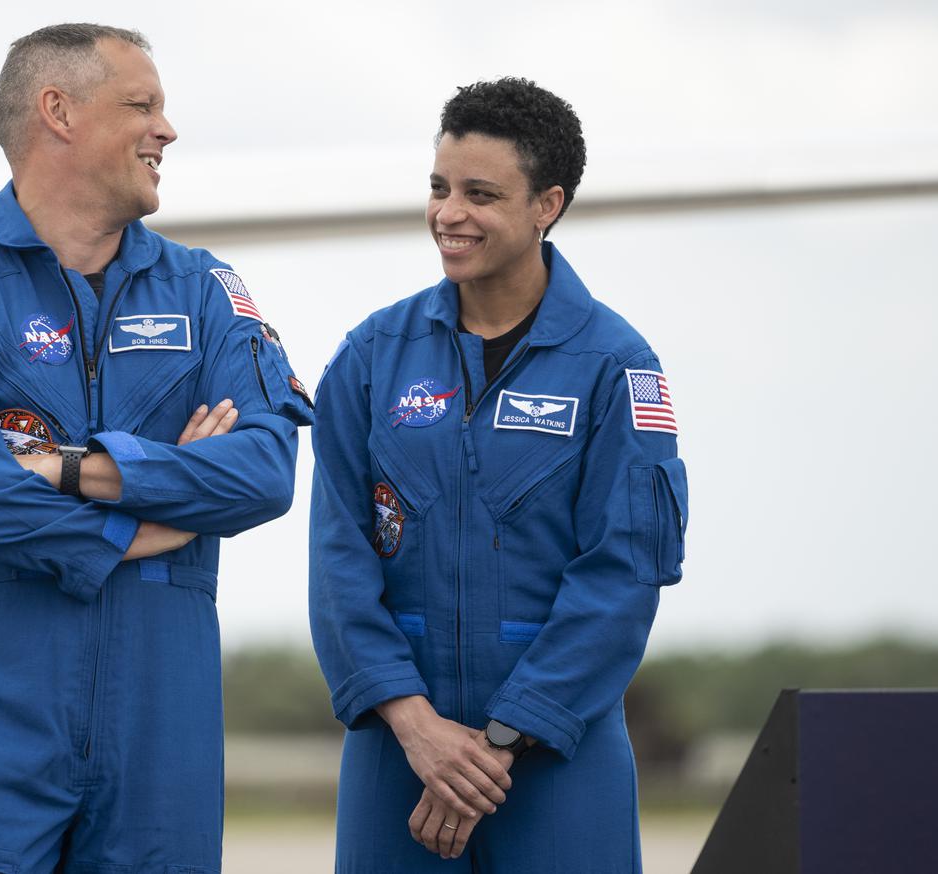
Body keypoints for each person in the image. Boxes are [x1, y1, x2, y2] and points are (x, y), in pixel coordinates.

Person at [0, 23, 313, 874]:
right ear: (58, 112)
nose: (167, 131)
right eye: (141, 105)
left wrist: (77, 470)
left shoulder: (206, 290)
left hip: (162, 731)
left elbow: (263, 470)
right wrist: (147, 524)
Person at [309, 77, 688, 872]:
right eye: (440, 188)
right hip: (396, 753)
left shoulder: (616, 368)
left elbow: (620, 577)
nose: (450, 214)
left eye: (481, 194)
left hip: (556, 754)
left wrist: (496, 746)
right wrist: (418, 730)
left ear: (546, 205)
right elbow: (339, 562)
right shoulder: (370, 359)